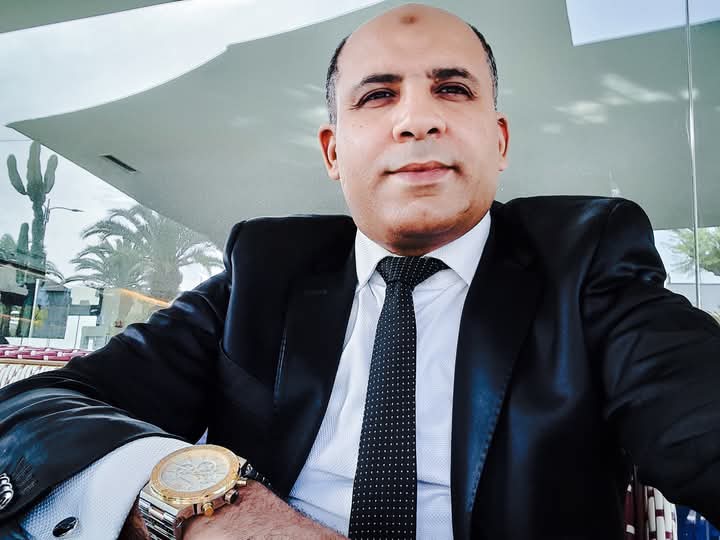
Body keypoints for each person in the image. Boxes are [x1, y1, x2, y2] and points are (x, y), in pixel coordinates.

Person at [1, 3, 719, 539]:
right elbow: (32, 412)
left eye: (453, 89)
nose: (416, 120)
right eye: (377, 96)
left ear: (499, 142)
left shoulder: (587, 265)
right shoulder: (264, 274)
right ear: (333, 152)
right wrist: (217, 515)